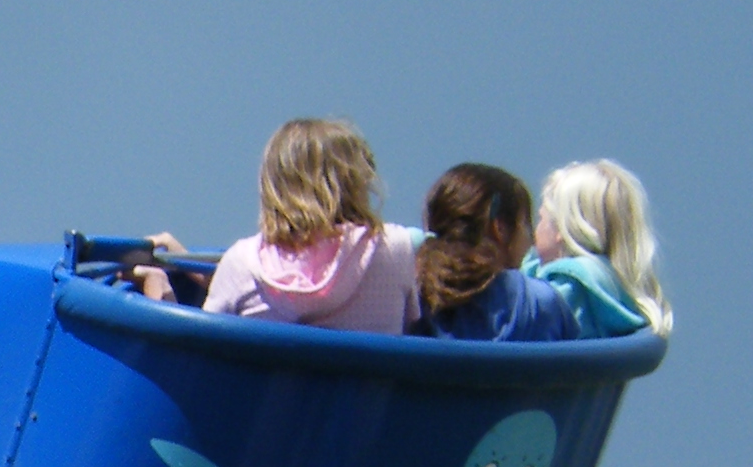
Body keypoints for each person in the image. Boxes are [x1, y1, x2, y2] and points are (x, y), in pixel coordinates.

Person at [180, 119, 420, 332]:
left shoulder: (241, 263)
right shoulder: (396, 249)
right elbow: (416, 326)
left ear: (274, 187)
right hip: (364, 372)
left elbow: (200, 348)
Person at [409, 163, 576, 343]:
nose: (532, 241)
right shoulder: (542, 303)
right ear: (500, 228)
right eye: (526, 226)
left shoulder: (412, 299)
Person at [528, 159, 673, 338]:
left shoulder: (568, 284)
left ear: (562, 229)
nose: (533, 232)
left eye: (541, 219)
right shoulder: (619, 290)